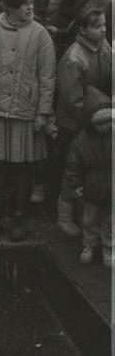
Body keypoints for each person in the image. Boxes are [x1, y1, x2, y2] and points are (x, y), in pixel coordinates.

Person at [0, 0, 56, 242]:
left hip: (26, 114)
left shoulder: (40, 34)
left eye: (31, 2)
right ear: (9, 6)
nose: (29, 7)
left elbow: (47, 76)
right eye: (23, 3)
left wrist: (42, 112)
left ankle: (19, 217)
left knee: (22, 170)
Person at [55, 8, 111, 236]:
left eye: (104, 24)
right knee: (73, 171)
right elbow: (73, 99)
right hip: (76, 123)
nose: (103, 29)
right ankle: (65, 216)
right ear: (82, 30)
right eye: (97, 26)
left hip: (99, 116)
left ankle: (87, 215)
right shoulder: (73, 58)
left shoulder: (103, 46)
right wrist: (94, 120)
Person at [63, 86, 112, 269]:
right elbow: (74, 166)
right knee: (90, 219)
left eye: (109, 121)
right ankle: (89, 245)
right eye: (100, 123)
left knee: (110, 220)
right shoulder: (82, 141)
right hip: (92, 187)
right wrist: (76, 185)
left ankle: (109, 247)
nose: (105, 126)